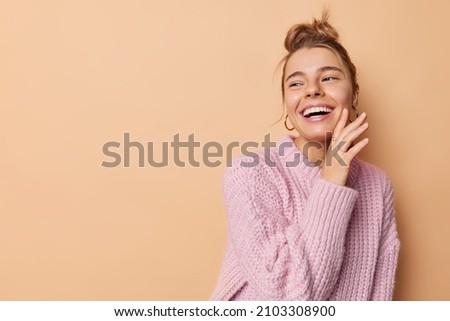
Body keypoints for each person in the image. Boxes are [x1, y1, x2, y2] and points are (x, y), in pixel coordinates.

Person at [210, 11, 400, 301]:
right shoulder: (250, 174)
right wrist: (332, 180)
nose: (312, 90)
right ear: (288, 105)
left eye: (329, 77)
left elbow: (378, 301)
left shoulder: (377, 186)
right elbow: (287, 299)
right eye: (296, 83)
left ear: (354, 93)